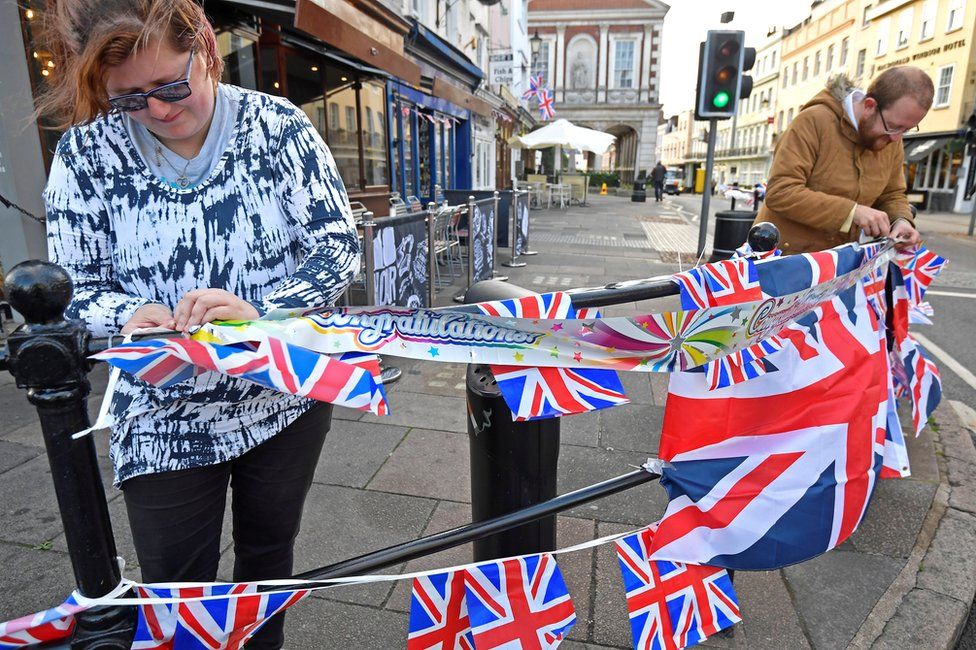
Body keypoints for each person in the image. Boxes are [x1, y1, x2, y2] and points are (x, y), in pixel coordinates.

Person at [40, 1, 359, 646]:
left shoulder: (278, 128)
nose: (157, 110)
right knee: (174, 583)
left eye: (170, 86)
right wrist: (127, 315)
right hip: (161, 410)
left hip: (280, 396)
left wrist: (264, 312)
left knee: (268, 559)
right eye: (130, 98)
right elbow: (73, 287)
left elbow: (337, 248)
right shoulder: (86, 153)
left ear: (205, 50)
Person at [755, 67, 929, 253]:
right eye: (894, 127)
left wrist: (901, 220)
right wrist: (852, 213)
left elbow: (892, 194)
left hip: (840, 264)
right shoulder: (813, 121)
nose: (896, 138)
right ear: (870, 106)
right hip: (785, 260)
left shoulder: (891, 136)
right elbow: (781, 191)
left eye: (907, 129)